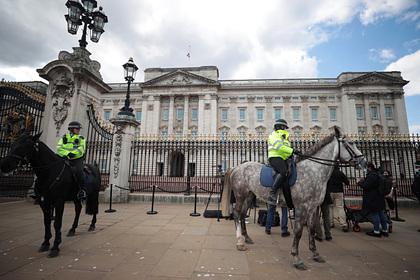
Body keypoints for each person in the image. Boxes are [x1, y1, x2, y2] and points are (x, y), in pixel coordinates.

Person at [57, 121, 86, 199]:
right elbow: (59, 148)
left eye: (79, 129)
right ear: (71, 129)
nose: (78, 130)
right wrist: (67, 154)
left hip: (77, 159)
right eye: (77, 128)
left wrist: (73, 153)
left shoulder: (81, 138)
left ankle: (81, 191)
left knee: (80, 172)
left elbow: (82, 149)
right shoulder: (64, 138)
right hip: (65, 158)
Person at [358, 162, 388, 237]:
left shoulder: (372, 175)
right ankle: (385, 230)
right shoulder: (378, 174)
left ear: (369, 168)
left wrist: (359, 182)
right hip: (379, 197)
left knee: (375, 214)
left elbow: (366, 186)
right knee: (381, 213)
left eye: (366, 168)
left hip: (373, 197)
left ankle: (376, 231)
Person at [328, 164, 350, 232]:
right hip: (339, 192)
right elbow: (347, 182)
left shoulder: (329, 173)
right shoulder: (340, 173)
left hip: (330, 191)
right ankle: (343, 224)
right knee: (340, 207)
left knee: (330, 207)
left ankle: (330, 223)